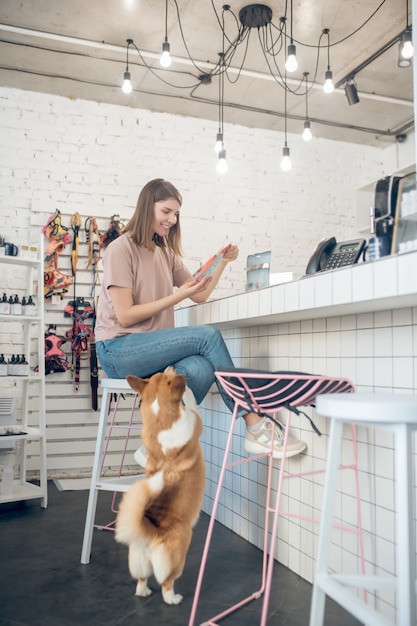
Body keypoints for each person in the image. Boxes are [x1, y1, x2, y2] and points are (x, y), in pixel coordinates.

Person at [95, 178, 306, 463]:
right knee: (207, 336)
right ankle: (254, 424)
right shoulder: (121, 249)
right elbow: (125, 314)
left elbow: (199, 293)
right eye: (166, 211)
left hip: (145, 350)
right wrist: (176, 296)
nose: (172, 219)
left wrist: (220, 263)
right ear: (148, 207)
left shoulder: (165, 252)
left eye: (176, 214)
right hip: (118, 350)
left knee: (201, 367)